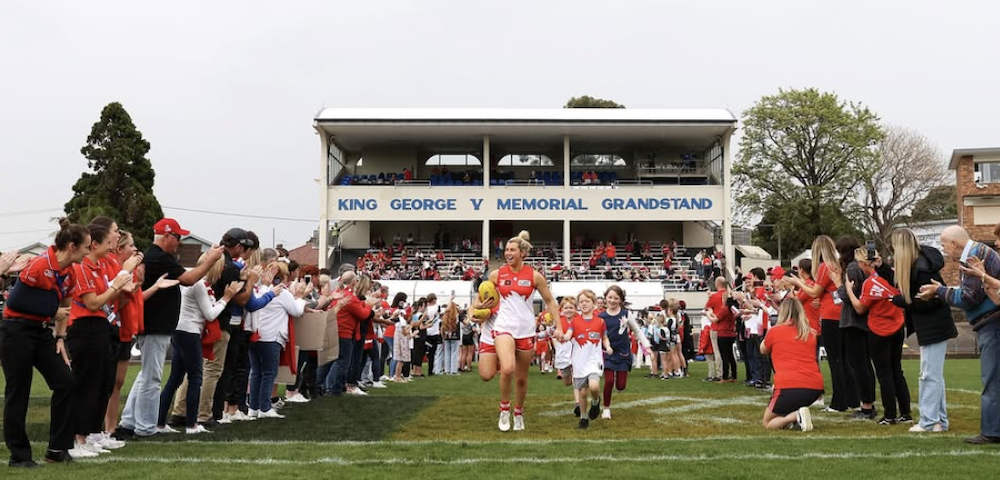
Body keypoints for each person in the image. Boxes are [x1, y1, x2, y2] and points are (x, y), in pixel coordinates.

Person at [117, 218, 223, 439]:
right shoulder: (160, 257)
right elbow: (190, 278)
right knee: (152, 378)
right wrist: (211, 259)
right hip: (156, 325)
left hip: (155, 324)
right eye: (177, 237)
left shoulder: (155, 256)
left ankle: (129, 421)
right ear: (167, 236)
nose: (179, 242)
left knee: (146, 375)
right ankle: (145, 426)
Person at [2, 220, 90, 465]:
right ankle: (19, 457)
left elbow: (66, 307)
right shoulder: (40, 264)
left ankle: (57, 449)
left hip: (42, 333)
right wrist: (52, 312)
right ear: (71, 246)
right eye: (86, 247)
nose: (88, 252)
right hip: (16, 332)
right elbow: (16, 303)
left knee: (66, 382)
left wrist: (60, 337)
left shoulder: (70, 272)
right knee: (18, 392)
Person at [917, 225, 1000, 444]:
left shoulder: (973, 256)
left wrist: (939, 291)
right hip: (991, 323)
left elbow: (969, 297)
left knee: (992, 380)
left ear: (954, 244)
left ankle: (992, 432)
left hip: (992, 325)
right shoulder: (978, 253)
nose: (945, 251)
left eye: (945, 246)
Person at [67, 220, 137, 455]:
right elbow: (93, 302)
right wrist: (118, 284)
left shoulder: (97, 266)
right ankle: (78, 438)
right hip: (84, 328)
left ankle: (91, 434)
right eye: (115, 232)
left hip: (99, 327)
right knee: (86, 385)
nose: (117, 237)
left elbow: (108, 301)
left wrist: (122, 288)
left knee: (101, 384)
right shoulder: (83, 267)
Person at [486, 230, 562, 432]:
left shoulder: (535, 276)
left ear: (522, 253)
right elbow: (482, 297)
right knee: (508, 368)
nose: (508, 253)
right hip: (503, 328)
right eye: (506, 250)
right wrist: (477, 308)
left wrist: (560, 326)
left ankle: (518, 413)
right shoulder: (497, 274)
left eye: (512, 250)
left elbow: (550, 302)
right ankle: (504, 410)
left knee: (521, 377)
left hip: (526, 330)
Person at [158, 254, 241, 434]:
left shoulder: (195, 281)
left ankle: (160, 422)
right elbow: (210, 314)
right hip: (190, 332)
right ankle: (191, 424)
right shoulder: (199, 284)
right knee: (195, 377)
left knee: (175, 378)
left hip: (180, 330)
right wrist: (227, 298)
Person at [890, 229, 954, 432]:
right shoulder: (919, 265)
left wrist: (904, 301)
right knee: (933, 374)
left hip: (935, 325)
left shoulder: (923, 268)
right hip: (931, 325)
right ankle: (939, 421)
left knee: (929, 375)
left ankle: (928, 421)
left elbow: (929, 301)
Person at [785, 235, 856, 413]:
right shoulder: (838, 265)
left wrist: (798, 282)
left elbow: (815, 292)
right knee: (845, 359)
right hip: (841, 314)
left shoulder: (826, 267)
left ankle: (839, 402)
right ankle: (852, 399)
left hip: (831, 316)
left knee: (835, 360)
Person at [844, 247, 911, 425]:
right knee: (897, 370)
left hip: (879, 328)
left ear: (862, 263)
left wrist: (849, 291)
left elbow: (860, 308)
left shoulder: (870, 282)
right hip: (897, 325)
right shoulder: (892, 276)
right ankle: (905, 412)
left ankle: (890, 415)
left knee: (884, 373)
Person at [248, 262, 309, 419]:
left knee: (256, 373)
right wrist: (301, 298)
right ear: (283, 276)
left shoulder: (258, 289)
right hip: (271, 337)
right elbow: (295, 311)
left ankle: (254, 407)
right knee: (269, 373)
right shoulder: (282, 292)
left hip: (256, 335)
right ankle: (265, 407)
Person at [760, 297, 823, 431]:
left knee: (767, 423)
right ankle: (796, 416)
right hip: (814, 387)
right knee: (786, 397)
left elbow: (763, 349)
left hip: (789, 385)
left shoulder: (775, 331)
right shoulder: (810, 332)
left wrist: (770, 330)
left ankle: (794, 416)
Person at [598, 285, 651, 419]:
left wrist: (647, 346)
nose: (612, 300)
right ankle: (606, 408)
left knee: (621, 386)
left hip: (623, 353)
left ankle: (615, 390)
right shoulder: (601, 316)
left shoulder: (626, 314)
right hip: (607, 352)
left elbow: (637, 331)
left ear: (621, 300)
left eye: (616, 298)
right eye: (610, 297)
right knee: (609, 381)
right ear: (605, 299)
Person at [562, 293, 612, 429]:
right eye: (581, 301)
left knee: (594, 386)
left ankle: (596, 401)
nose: (584, 304)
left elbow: (604, 337)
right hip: (579, 361)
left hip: (594, 360)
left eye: (587, 301)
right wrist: (564, 337)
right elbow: (568, 334)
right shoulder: (575, 321)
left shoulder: (600, 322)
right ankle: (584, 417)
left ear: (594, 303)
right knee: (583, 392)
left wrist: (607, 346)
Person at [703, 277, 737, 383]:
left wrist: (709, 313)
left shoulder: (717, 299)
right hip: (730, 330)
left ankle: (721, 374)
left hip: (719, 328)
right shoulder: (730, 301)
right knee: (730, 354)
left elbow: (707, 308)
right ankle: (732, 374)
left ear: (717, 284)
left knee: (720, 353)